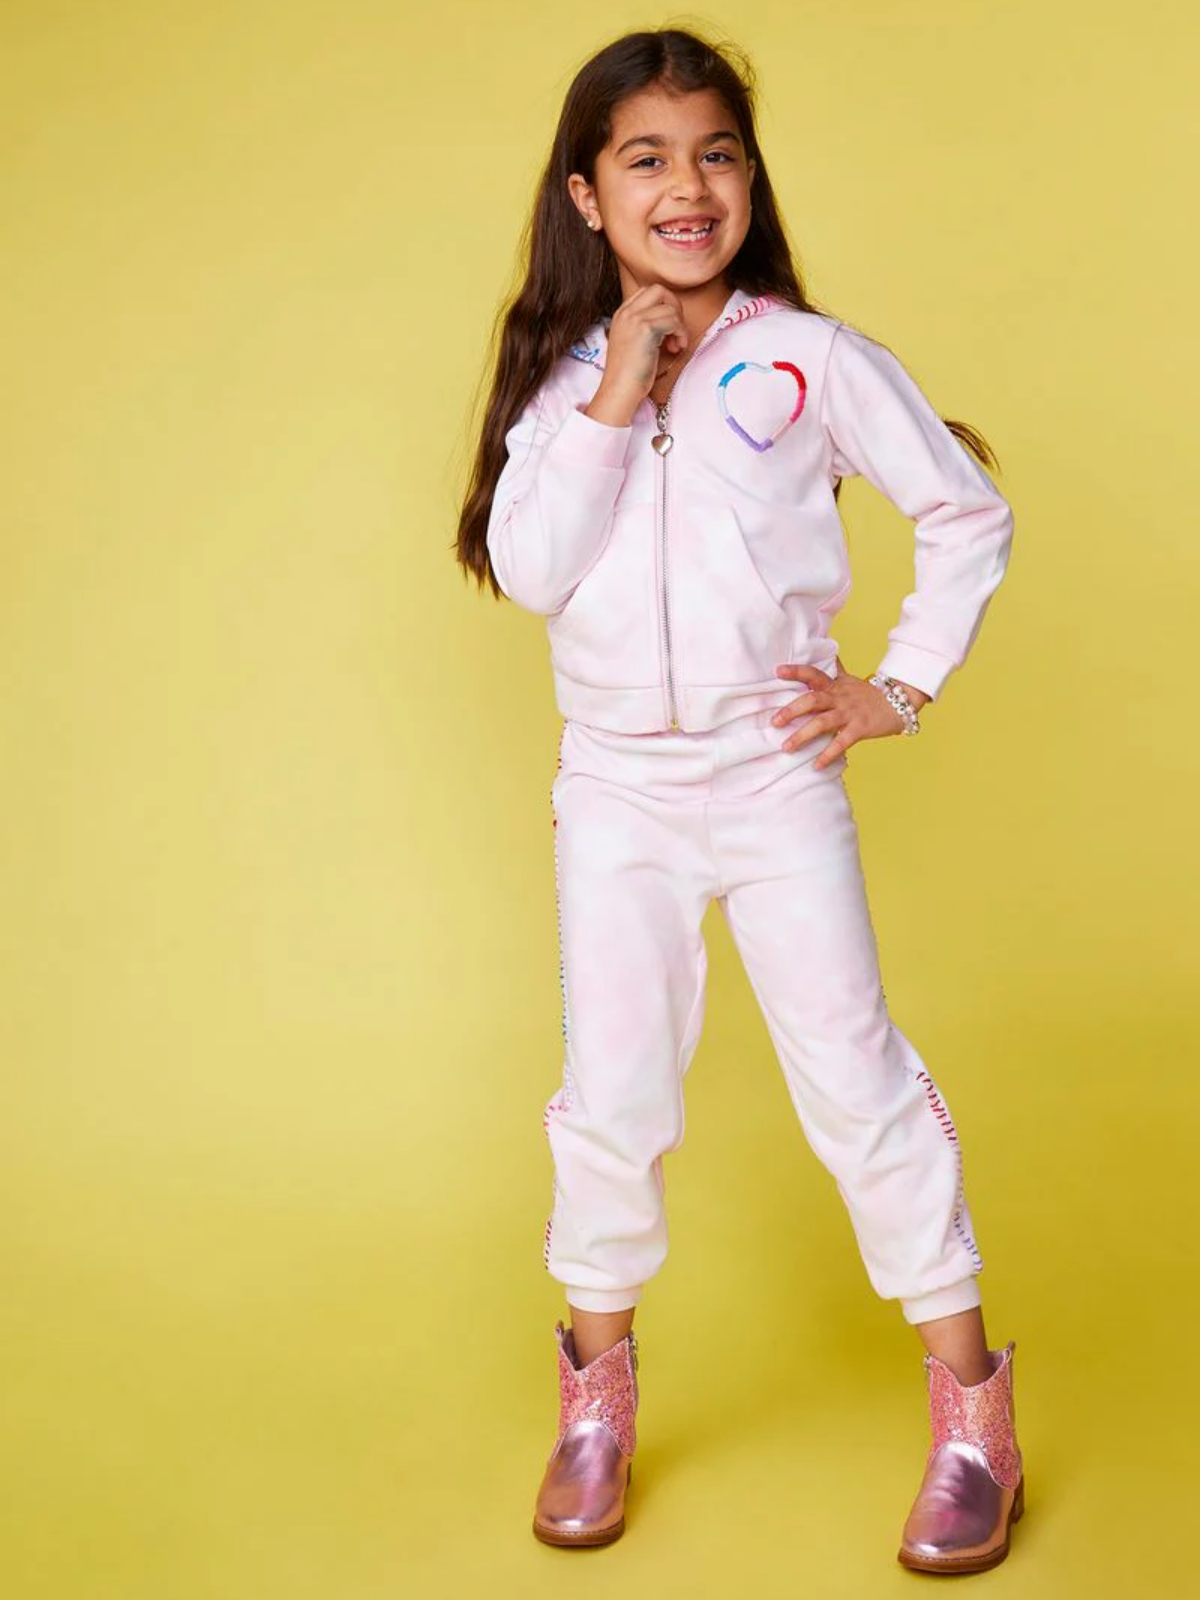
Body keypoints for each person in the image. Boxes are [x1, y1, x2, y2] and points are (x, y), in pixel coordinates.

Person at [455, 25, 1025, 1575]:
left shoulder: (808, 359)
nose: (687, 186)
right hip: (617, 794)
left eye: (716, 153)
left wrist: (897, 685)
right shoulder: (565, 380)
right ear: (587, 195)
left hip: (774, 777)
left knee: (857, 1079)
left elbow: (965, 511)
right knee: (615, 1095)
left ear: (750, 180)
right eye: (645, 159)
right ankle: (595, 1405)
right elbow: (530, 569)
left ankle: (972, 1412)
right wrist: (618, 389)